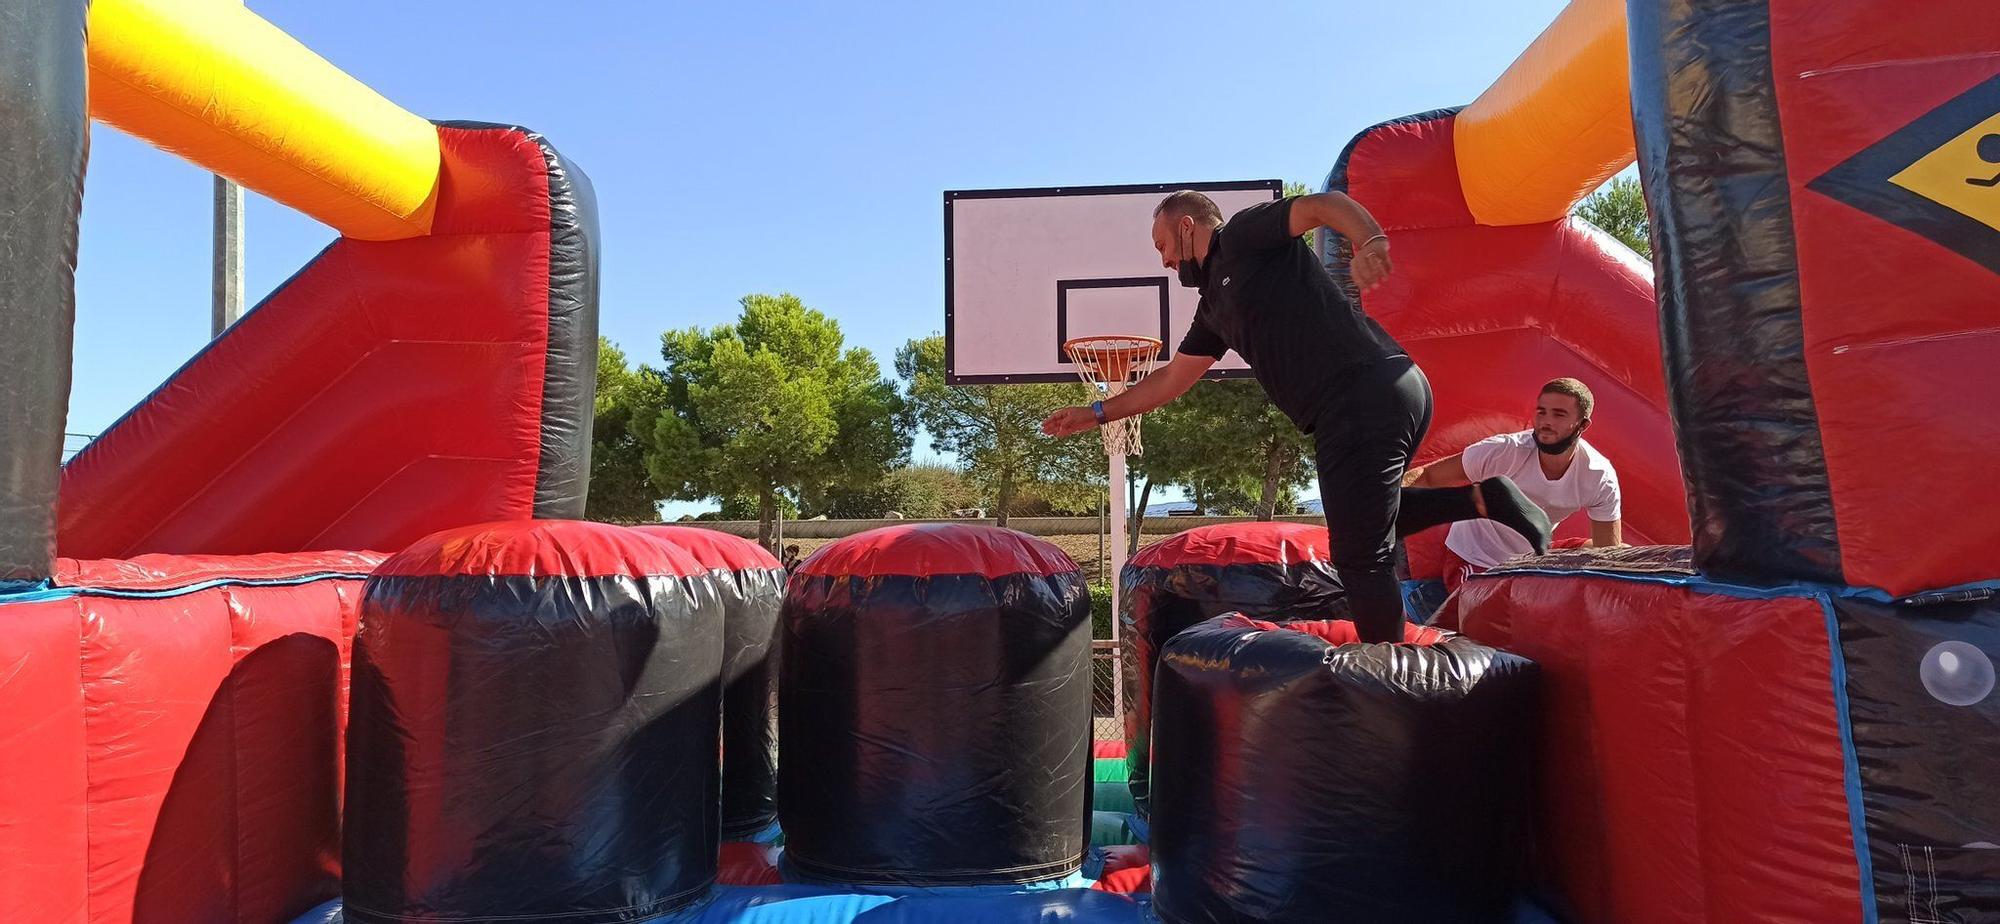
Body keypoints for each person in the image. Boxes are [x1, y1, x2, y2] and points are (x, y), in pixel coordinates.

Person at [1041, 190, 1552, 643]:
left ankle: (1389, 680)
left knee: (1359, 559)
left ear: (1186, 226)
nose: (1166, 261)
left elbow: (1319, 208)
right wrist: (1098, 412)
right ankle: (1486, 498)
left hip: (1360, 392)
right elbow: (1173, 378)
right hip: (1383, 394)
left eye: (1163, 246)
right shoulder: (1213, 307)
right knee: (1368, 526)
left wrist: (1369, 240)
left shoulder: (1241, 236)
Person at [1405, 378, 1623, 592]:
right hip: (1476, 556)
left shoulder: (1598, 475)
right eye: (1541, 411)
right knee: (1490, 608)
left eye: (1559, 414)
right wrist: (1383, 499)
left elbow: (1607, 551)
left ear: (1583, 425)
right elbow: (1428, 476)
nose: (1546, 422)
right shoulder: (1504, 452)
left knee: (1626, 555)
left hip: (1532, 554)